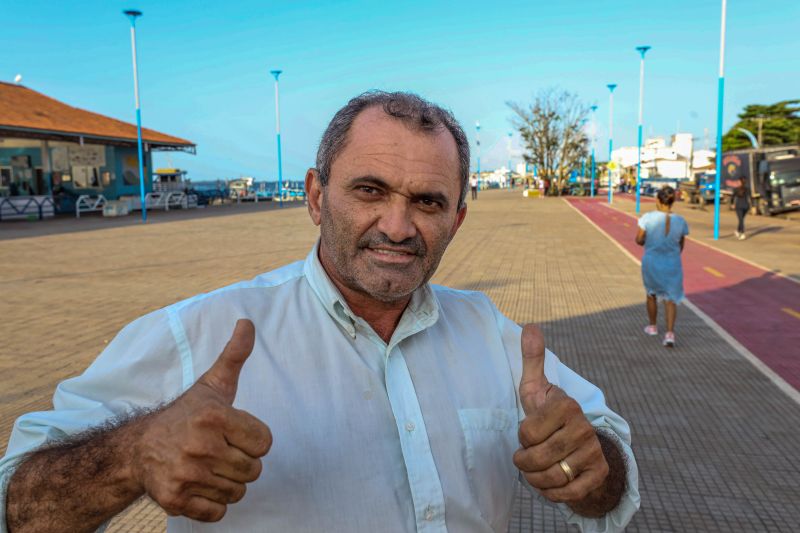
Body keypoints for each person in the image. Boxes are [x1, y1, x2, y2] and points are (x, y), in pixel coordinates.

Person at [1, 91, 639, 532]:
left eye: (427, 202)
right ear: (315, 195)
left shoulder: (493, 335)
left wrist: (592, 466)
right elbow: (15, 508)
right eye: (369, 190)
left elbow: (609, 470)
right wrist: (131, 453)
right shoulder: (201, 334)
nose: (397, 226)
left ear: (458, 218)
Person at [635, 185, 689, 348]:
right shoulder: (680, 221)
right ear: (672, 202)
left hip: (652, 261)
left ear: (658, 200)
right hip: (672, 263)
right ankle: (670, 334)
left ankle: (652, 326)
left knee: (651, 294)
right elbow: (681, 245)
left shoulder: (647, 218)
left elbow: (639, 240)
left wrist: (648, 241)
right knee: (671, 298)